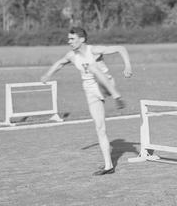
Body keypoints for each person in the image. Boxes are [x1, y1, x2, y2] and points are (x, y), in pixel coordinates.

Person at [40, 26, 133, 176]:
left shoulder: (94, 50)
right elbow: (59, 63)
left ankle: (116, 96)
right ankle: (109, 166)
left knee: (93, 67)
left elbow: (121, 48)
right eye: (69, 39)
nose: (69, 41)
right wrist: (47, 75)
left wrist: (127, 66)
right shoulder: (72, 55)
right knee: (100, 128)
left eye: (72, 39)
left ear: (82, 39)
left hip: (106, 85)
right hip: (91, 92)